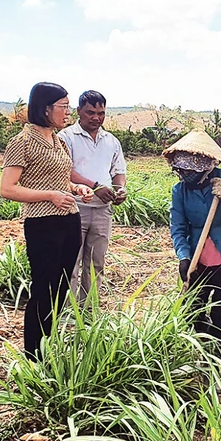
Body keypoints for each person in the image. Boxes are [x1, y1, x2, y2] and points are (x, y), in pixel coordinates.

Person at [0, 82, 94, 361]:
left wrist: (76, 189)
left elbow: (58, 177)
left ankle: (47, 345)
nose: (67, 112)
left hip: (68, 220)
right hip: (42, 223)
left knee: (61, 286)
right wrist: (50, 195)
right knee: (44, 288)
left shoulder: (58, 140)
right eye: (63, 106)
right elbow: (8, 188)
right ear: (45, 108)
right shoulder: (22, 142)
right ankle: (33, 356)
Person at [164, 130, 221, 359]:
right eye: (181, 170)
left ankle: (216, 358)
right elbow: (178, 227)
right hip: (198, 260)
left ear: (206, 165)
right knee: (193, 310)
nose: (185, 174)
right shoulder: (180, 191)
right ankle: (202, 349)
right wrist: (184, 257)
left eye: (190, 170)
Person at [58, 90, 127, 302]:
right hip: (73, 207)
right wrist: (95, 186)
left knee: (96, 262)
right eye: (90, 112)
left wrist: (120, 189)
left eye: (101, 113)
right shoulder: (65, 137)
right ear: (79, 111)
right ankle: (68, 313)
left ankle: (89, 312)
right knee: (70, 262)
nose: (96, 117)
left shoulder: (111, 141)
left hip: (103, 210)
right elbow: (64, 170)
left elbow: (118, 172)